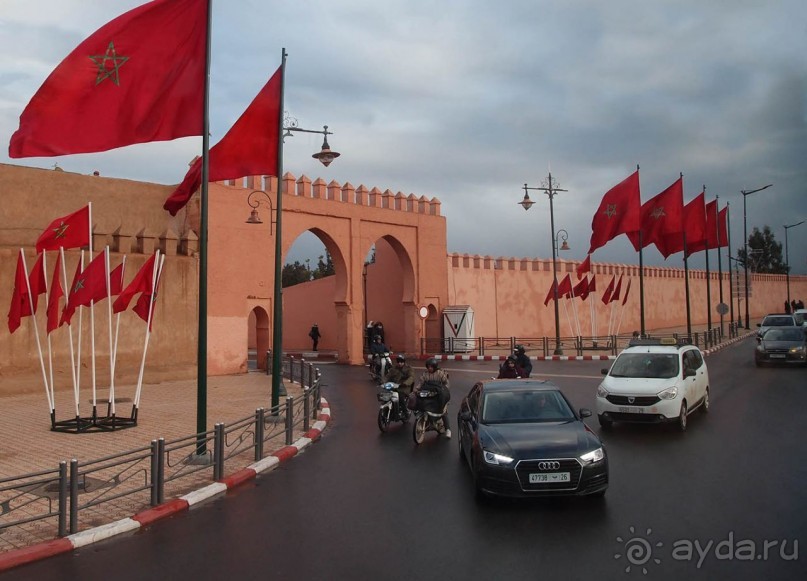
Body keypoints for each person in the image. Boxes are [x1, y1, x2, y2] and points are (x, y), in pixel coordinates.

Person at [415, 357, 451, 438]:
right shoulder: (425, 374)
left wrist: (444, 392)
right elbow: (420, 384)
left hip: (439, 396)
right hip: (429, 395)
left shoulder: (440, 374)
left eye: (431, 367)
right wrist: (416, 390)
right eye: (428, 366)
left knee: (443, 412)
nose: (430, 368)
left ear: (435, 366)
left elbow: (446, 384)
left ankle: (448, 429)